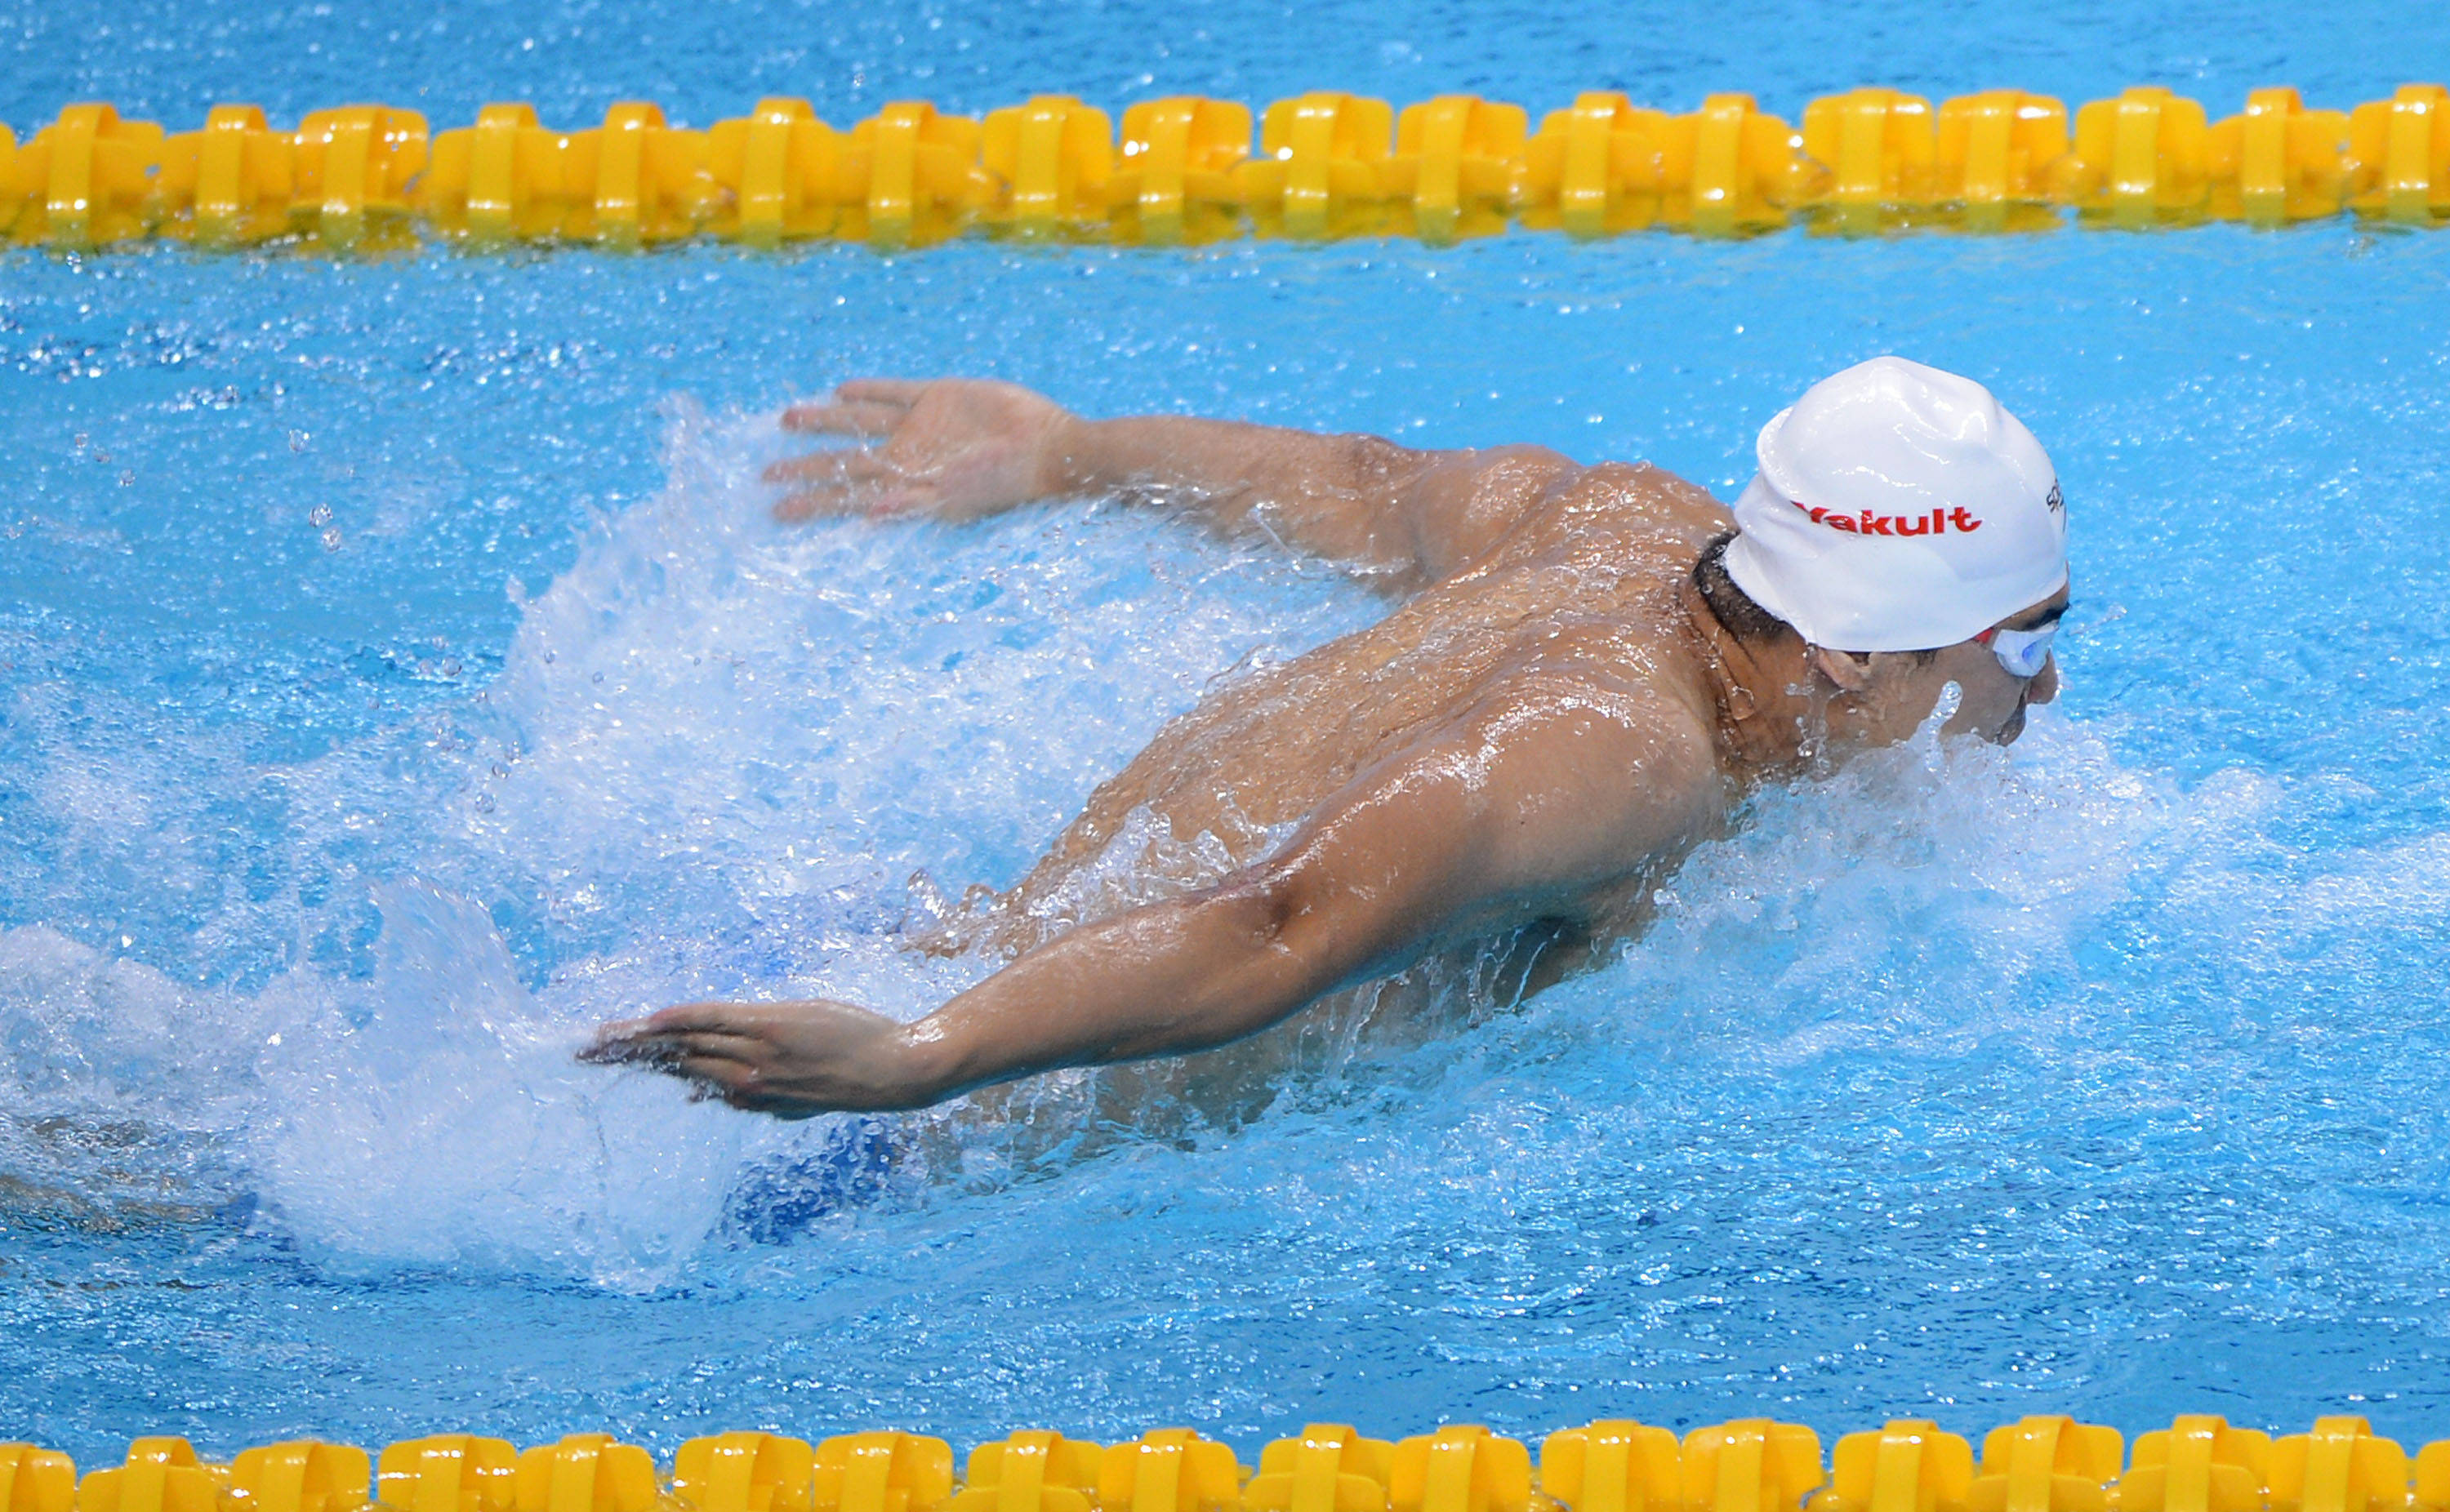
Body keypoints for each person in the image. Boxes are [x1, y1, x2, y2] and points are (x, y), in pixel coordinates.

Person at [584, 355, 2069, 1115]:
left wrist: (1059, 451)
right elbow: (1274, 922)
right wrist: (920, 1055)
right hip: (923, 1112)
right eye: (2023, 636)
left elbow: (1357, 487)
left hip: (929, 942)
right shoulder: (1618, 756)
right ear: (1855, 650)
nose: (2046, 687)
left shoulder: (1627, 519)